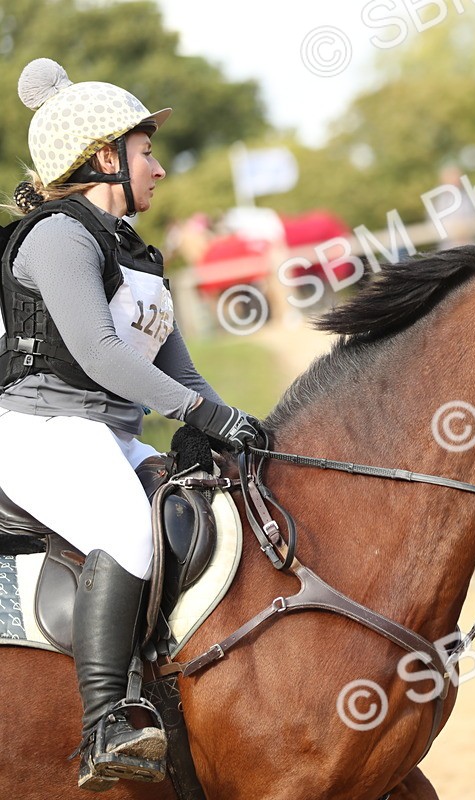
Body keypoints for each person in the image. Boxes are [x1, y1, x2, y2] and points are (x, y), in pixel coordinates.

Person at [0, 58, 263, 791]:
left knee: (219, 505)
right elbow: (100, 353)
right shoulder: (58, 234)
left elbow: (178, 371)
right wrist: (203, 413)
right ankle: (104, 725)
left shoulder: (137, 253)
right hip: (40, 430)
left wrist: (237, 426)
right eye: (147, 152)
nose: (159, 168)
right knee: (125, 531)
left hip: (107, 433)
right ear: (105, 157)